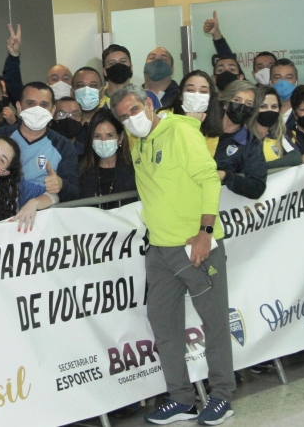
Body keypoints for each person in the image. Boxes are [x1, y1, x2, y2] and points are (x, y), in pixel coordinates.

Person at [110, 85, 235, 426]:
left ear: (149, 103)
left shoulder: (179, 130)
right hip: (160, 250)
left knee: (214, 323)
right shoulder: (137, 141)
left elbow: (209, 180)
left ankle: (222, 395)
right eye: (123, 116)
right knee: (164, 325)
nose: (130, 119)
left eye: (134, 109)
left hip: (196, 245)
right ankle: (182, 398)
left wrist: (205, 233)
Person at [0, 82, 80, 202]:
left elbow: (74, 194)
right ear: (19, 107)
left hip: (43, 212)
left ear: (53, 110)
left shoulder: (63, 146)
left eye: (44, 105)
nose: (37, 109)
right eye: (31, 103)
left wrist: (61, 185)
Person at [211, 80, 267, 200]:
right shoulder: (204, 129)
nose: (242, 107)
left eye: (248, 104)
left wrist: (226, 176)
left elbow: (257, 187)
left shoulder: (251, 142)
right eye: (237, 100)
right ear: (226, 103)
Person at [77, 109, 137, 210]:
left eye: (110, 135)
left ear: (120, 138)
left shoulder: (134, 168)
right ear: (91, 139)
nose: (103, 141)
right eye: (97, 136)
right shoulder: (79, 166)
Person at [201, 12, 275, 86]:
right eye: (260, 67)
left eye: (270, 66)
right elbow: (227, 56)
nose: (266, 70)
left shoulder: (285, 93)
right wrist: (216, 32)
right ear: (254, 73)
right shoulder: (250, 93)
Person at [249, 87, 301, 169]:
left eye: (274, 107)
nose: (269, 110)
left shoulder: (277, 135)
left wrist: (262, 167)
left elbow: (295, 156)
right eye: (263, 106)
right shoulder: (243, 136)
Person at [165, 71, 224, 140]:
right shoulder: (163, 117)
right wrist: (192, 123)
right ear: (181, 95)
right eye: (190, 90)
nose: (196, 95)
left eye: (203, 91)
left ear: (210, 97)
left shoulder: (212, 129)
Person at [270, 58, 299, 128]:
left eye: (289, 77)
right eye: (277, 77)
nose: (283, 82)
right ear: (270, 82)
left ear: (297, 82)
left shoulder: (303, 111)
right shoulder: (263, 111)